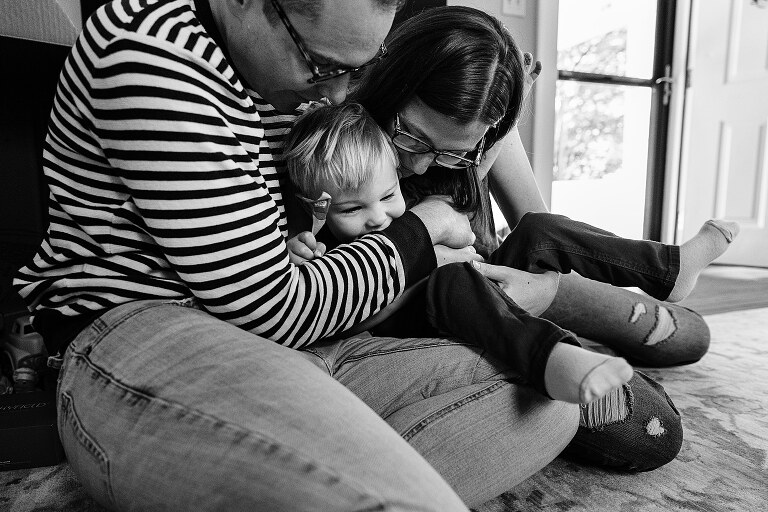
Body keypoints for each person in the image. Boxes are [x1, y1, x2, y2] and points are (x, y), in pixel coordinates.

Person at [11, 1, 584, 510]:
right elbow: (269, 305)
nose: (339, 94)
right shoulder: (151, 50)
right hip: (149, 327)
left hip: (313, 340)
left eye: (359, 69)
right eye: (326, 67)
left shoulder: (285, 76)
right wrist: (419, 234)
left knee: (547, 392)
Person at [282, 101, 738, 404]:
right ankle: (548, 359)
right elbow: (346, 314)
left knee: (539, 229)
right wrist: (307, 248)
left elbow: (473, 236)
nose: (378, 218)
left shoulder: (409, 187)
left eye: (387, 196)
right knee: (453, 281)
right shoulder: (327, 246)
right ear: (319, 207)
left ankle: (669, 268)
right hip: (427, 308)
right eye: (353, 209)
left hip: (488, 275)